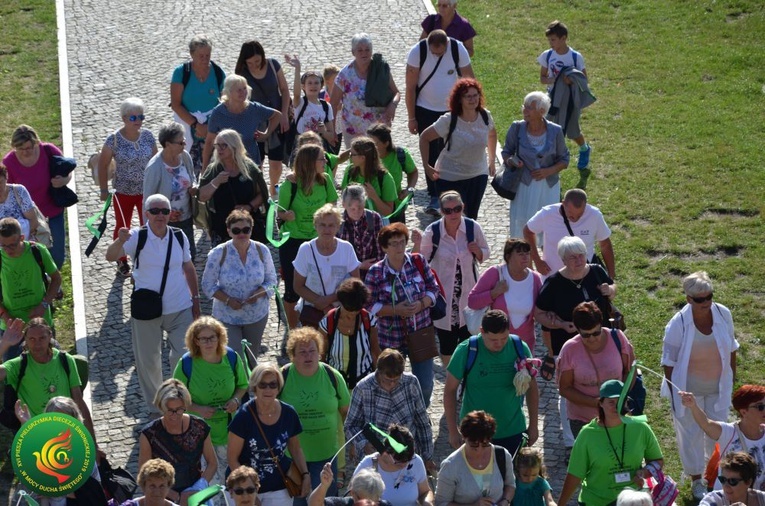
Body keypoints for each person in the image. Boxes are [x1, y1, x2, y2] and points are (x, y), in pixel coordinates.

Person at [105, 194, 201, 413]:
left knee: (184, 354)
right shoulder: (136, 236)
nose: (160, 215)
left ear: (170, 214)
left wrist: (195, 299)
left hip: (179, 306)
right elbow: (110, 257)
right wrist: (120, 240)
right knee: (148, 360)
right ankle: (157, 408)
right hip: (147, 309)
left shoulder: (179, 236)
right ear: (146, 213)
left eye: (164, 211)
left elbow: (188, 267)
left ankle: (180, 397)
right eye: (155, 211)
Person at [662, 271, 738, 498]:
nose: (706, 302)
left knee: (718, 431)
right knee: (691, 434)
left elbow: (732, 348)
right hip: (689, 391)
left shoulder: (723, 314)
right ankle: (697, 479)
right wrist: (678, 393)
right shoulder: (678, 323)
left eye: (709, 296)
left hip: (718, 387)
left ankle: (714, 474)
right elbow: (668, 361)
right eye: (699, 299)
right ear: (688, 299)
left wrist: (731, 378)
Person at [534, 236, 615, 448]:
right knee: (569, 390)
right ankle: (572, 442)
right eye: (573, 257)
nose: (579, 260)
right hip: (568, 343)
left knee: (602, 383)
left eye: (581, 255)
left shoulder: (596, 271)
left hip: (601, 341)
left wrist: (610, 290)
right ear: (563, 259)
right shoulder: (554, 283)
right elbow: (539, 313)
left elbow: (613, 289)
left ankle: (608, 428)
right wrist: (560, 324)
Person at [443, 310, 539, 456]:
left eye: (504, 338)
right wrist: (452, 430)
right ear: (482, 331)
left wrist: (533, 425)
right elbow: (450, 390)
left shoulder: (519, 348)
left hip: (512, 430)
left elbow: (532, 389)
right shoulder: (466, 350)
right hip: (475, 432)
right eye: (493, 340)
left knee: (510, 477)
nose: (499, 344)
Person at [364, 223, 440, 407]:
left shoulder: (418, 261)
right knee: (390, 382)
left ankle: (419, 414)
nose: (399, 247)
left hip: (420, 333)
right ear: (384, 247)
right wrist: (395, 309)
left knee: (425, 384)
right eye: (394, 244)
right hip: (390, 338)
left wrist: (422, 303)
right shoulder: (375, 272)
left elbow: (433, 288)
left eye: (402, 242)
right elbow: (368, 304)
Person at [172, 316, 248, 495]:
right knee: (209, 487)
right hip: (198, 435)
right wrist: (197, 409)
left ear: (219, 337)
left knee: (232, 483)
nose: (208, 342)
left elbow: (243, 385)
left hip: (230, 432)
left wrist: (236, 400)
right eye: (203, 338)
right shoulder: (187, 363)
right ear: (195, 341)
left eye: (212, 337)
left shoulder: (231, 357)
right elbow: (175, 396)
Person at [413, 191, 490, 366]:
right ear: (441, 211)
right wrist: (416, 244)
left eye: (457, 209)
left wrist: (478, 251)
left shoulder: (472, 228)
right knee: (447, 346)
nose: (453, 214)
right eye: (448, 211)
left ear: (462, 208)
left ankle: (467, 378)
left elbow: (486, 252)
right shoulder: (433, 232)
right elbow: (419, 261)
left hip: (469, 299)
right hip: (444, 300)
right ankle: (451, 378)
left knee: (470, 343)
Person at [557, 380, 664, 506]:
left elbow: (657, 460)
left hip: (631, 501)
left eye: (620, 401)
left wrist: (644, 472)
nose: (616, 406)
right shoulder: (587, 434)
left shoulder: (640, 427)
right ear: (600, 403)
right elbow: (575, 474)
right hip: (597, 501)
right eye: (611, 402)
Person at [404, 30, 472, 213]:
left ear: (446, 45)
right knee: (431, 153)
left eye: (440, 53)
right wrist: (411, 117)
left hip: (451, 110)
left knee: (451, 150)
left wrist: (470, 111)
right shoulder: (418, 52)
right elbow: (410, 88)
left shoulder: (458, 49)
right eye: (434, 52)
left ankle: (452, 193)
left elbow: (469, 81)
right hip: (425, 109)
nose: (436, 55)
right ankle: (435, 195)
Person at [0, 318, 98, 445]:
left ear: (50, 336)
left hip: (68, 434)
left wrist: (93, 444)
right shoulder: (18, 366)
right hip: (37, 437)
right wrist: (4, 344)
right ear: (26, 340)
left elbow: (79, 402)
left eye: (42, 338)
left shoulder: (65, 360)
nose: (37, 344)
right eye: (32, 339)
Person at [279, 328, 351, 497]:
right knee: (297, 501)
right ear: (292, 355)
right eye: (302, 352)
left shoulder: (332, 376)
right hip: (293, 456)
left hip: (326, 454)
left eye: (312, 351)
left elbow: (346, 411)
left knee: (325, 500)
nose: (308, 356)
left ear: (319, 353)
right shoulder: (283, 376)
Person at [228, 363, 312, 505]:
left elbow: (296, 449)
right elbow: (232, 458)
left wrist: (305, 475)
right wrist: (249, 493)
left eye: (273, 385)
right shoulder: (243, 416)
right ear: (254, 387)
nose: (268, 389)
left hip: (280, 485)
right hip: (245, 489)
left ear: (279, 388)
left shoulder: (289, 413)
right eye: (263, 385)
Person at [277, 144, 338, 329]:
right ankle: (293, 330)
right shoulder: (290, 185)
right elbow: (279, 213)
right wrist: (286, 215)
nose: (325, 162)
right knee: (292, 289)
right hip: (293, 241)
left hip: (318, 240)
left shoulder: (325, 180)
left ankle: (321, 326)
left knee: (321, 284)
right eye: (321, 158)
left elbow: (333, 203)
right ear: (310, 162)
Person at [419, 78, 497, 219]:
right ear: (459, 99)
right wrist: (426, 165)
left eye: (475, 95)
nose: (473, 99)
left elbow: (492, 134)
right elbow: (425, 137)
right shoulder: (449, 120)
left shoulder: (485, 116)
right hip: (450, 177)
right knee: (454, 219)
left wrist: (492, 160)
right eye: (468, 96)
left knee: (471, 218)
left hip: (478, 175)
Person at [344, 349, 435, 471]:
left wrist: (427, 456)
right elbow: (350, 425)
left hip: (407, 457)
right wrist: (363, 444)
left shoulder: (411, 383)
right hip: (376, 462)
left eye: (396, 380)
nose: (392, 384)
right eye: (387, 380)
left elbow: (422, 422)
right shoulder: (363, 388)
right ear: (379, 372)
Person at [97, 97, 158, 275]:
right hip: (122, 191)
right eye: (133, 118)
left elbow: (156, 161)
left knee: (147, 223)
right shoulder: (114, 139)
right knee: (122, 226)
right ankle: (121, 259)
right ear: (124, 118)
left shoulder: (147, 136)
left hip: (146, 190)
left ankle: (145, 256)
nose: (138, 121)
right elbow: (102, 164)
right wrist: (103, 189)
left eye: (141, 117)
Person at [201, 209, 276, 355]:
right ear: (229, 231)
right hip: (227, 317)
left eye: (246, 230)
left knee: (252, 357)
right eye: (236, 230)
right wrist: (228, 300)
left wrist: (259, 293)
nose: (241, 234)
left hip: (256, 316)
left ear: (251, 230)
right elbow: (207, 285)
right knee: (236, 357)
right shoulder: (218, 253)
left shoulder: (262, 251)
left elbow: (272, 281)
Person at [558, 301, 635, 438]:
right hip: (583, 420)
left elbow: (630, 371)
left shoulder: (618, 338)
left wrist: (621, 397)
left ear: (601, 324)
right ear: (577, 329)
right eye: (586, 335)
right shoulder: (570, 349)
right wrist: (596, 403)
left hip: (617, 415)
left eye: (596, 332)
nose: (592, 339)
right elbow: (565, 388)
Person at [138, 379, 217, 506]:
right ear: (161, 407)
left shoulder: (199, 427)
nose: (174, 415)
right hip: (163, 498)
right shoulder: (149, 435)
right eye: (169, 410)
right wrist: (177, 497)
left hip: (195, 496)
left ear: (185, 406)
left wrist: (198, 487)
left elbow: (212, 463)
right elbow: (144, 476)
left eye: (179, 409)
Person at [503, 91, 570, 239]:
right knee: (522, 224)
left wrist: (548, 171)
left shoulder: (555, 130)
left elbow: (564, 159)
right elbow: (506, 152)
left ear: (542, 111)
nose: (524, 110)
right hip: (523, 185)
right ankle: (524, 258)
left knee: (548, 226)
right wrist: (511, 161)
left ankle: (546, 258)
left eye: (529, 108)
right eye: (524, 106)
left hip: (547, 187)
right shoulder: (517, 127)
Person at [4, 125, 70, 268]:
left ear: (36, 143)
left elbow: (67, 170)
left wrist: (64, 180)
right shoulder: (9, 162)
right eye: (20, 149)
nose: (26, 152)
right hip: (27, 218)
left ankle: (54, 281)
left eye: (29, 148)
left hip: (52, 211)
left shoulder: (48, 150)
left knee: (57, 254)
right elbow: (6, 191)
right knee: (32, 255)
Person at [679, 385, 765, 492]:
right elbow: (706, 424)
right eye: (760, 407)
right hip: (728, 496)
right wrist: (693, 406)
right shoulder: (729, 432)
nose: (764, 410)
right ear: (744, 412)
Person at [234, 41, 292, 196]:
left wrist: (284, 114)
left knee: (276, 161)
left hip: (276, 119)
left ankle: (273, 187)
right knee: (255, 160)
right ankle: (257, 189)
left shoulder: (273, 65)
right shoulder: (241, 73)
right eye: (250, 62)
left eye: (257, 61)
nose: (254, 65)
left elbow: (285, 91)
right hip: (254, 122)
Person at [538, 21, 591, 187]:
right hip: (552, 97)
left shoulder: (575, 57)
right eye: (550, 40)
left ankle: (584, 148)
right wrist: (556, 80)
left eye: (554, 40)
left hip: (570, 99)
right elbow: (542, 78)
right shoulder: (547, 55)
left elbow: (584, 80)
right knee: (549, 126)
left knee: (572, 130)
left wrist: (571, 81)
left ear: (564, 38)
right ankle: (552, 159)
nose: (551, 44)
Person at [0, 217, 61, 360]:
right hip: (11, 328)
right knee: (12, 374)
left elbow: (56, 279)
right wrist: (6, 316)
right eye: (3, 245)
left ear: (22, 237)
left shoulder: (37, 251)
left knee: (48, 364)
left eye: (12, 245)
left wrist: (44, 304)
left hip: (41, 322)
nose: (8, 250)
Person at [467, 238, 542, 351]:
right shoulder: (494, 273)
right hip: (495, 344)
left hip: (524, 344)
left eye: (527, 253)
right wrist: (494, 293)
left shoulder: (535, 278)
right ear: (508, 256)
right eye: (520, 254)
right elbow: (472, 302)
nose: (525, 257)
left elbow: (542, 308)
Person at [293, 204, 361, 328]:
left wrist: (329, 300)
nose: (327, 229)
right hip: (313, 311)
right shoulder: (306, 249)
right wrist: (320, 302)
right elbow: (298, 286)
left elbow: (356, 282)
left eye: (331, 225)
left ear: (338, 227)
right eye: (322, 225)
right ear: (315, 226)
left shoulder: (346, 248)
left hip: (342, 312)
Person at [198, 129, 270, 245]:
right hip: (222, 227)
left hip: (247, 226)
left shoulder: (250, 169)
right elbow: (201, 196)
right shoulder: (214, 170)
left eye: (224, 146)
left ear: (234, 146)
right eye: (217, 145)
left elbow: (262, 194)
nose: (219, 149)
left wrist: (249, 206)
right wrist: (216, 182)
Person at [523, 189, 614, 279]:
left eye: (580, 215)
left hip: (584, 278)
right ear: (563, 204)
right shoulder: (547, 214)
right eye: (570, 214)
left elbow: (605, 245)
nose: (575, 219)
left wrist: (611, 275)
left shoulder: (594, 215)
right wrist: (537, 261)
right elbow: (528, 231)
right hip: (553, 277)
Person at [330, 33, 400, 148]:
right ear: (353, 52)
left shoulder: (380, 69)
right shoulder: (345, 75)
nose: (364, 53)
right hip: (353, 130)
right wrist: (332, 130)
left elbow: (396, 93)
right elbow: (333, 104)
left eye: (367, 50)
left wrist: (393, 105)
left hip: (378, 129)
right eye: (360, 50)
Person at [170, 35, 226, 176]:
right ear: (191, 54)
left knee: (214, 176)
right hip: (188, 133)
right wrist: (196, 125)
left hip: (212, 133)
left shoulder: (218, 73)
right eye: (201, 56)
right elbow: (176, 104)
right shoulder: (181, 73)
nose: (205, 59)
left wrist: (209, 127)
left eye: (208, 55)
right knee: (187, 177)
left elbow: (225, 102)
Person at [202, 75, 282, 171]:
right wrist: (205, 168)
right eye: (239, 90)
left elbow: (277, 115)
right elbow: (210, 141)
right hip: (225, 165)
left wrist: (266, 134)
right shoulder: (218, 113)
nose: (243, 92)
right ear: (229, 92)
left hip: (250, 163)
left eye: (244, 89)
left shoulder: (254, 109)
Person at [435, 410, 515, 506]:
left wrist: (505, 501)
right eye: (474, 445)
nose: (479, 449)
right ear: (464, 437)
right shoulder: (450, 466)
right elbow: (441, 503)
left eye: (485, 444)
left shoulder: (502, 455)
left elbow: (510, 485)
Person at [143, 121, 198, 260]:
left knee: (188, 257)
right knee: (169, 259)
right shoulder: (155, 167)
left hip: (186, 217)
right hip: (165, 221)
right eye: (180, 143)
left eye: (184, 141)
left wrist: (194, 186)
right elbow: (148, 199)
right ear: (167, 144)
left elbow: (192, 177)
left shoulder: (185, 156)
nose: (184, 145)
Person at [319, 278, 381, 389]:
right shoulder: (328, 322)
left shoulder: (369, 320)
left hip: (365, 383)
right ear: (341, 302)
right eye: (348, 309)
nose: (352, 314)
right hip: (335, 384)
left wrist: (379, 381)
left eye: (356, 310)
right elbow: (321, 356)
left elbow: (375, 352)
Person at [354, 424, 434, 506]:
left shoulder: (416, 461)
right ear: (385, 452)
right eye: (400, 461)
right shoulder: (367, 465)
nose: (405, 464)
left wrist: (427, 502)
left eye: (408, 460)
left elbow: (425, 491)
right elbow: (353, 497)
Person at [366, 124, 418, 222]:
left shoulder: (400, 155)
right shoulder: (363, 157)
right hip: (368, 210)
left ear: (386, 143)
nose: (369, 147)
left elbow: (413, 172)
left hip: (395, 209)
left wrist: (409, 189)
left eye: (374, 143)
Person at [284, 56, 337, 149]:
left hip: (319, 148)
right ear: (303, 87)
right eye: (310, 83)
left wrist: (324, 132)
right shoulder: (300, 103)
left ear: (321, 86)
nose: (313, 86)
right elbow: (296, 94)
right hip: (301, 148)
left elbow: (331, 136)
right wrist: (297, 69)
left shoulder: (326, 106)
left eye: (316, 83)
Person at [341, 137, 396, 216]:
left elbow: (388, 212)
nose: (350, 157)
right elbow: (344, 200)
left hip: (375, 224)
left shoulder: (384, 178)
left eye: (352, 154)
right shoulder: (349, 171)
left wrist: (375, 197)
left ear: (362, 158)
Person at [338, 185, 384, 280]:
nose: (356, 212)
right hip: (346, 276)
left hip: (371, 273)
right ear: (343, 205)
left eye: (360, 208)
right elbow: (335, 256)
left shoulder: (374, 218)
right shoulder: (337, 222)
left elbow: (380, 249)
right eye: (352, 209)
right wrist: (359, 265)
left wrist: (376, 269)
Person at [700, 452, 765, 506]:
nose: (726, 486)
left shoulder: (763, 499)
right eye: (723, 479)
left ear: (748, 482)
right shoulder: (713, 499)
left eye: (732, 481)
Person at [309, 465, 391, 506]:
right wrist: (324, 486)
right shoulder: (342, 504)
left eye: (374, 502)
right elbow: (314, 504)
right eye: (364, 500)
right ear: (352, 493)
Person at [0, 163, 41, 239]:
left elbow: (33, 222)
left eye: (0, 182)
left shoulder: (19, 191)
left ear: (6, 177)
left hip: (23, 243)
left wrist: (14, 242)